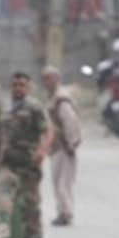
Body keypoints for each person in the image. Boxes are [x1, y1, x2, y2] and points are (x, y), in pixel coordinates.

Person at [0, 72, 52, 238]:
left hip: (28, 166)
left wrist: (42, 151)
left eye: (22, 85)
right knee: (2, 203)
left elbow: (47, 132)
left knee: (30, 205)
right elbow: (0, 139)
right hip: (7, 165)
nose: (18, 88)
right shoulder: (6, 111)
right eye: (15, 85)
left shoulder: (34, 108)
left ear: (28, 87)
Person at [40, 66, 82, 227]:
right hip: (55, 146)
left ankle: (66, 212)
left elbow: (70, 121)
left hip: (64, 145)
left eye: (49, 78)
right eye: (44, 78)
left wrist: (71, 142)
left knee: (63, 182)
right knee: (58, 181)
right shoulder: (52, 98)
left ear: (57, 79)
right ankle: (63, 211)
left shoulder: (61, 99)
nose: (46, 82)